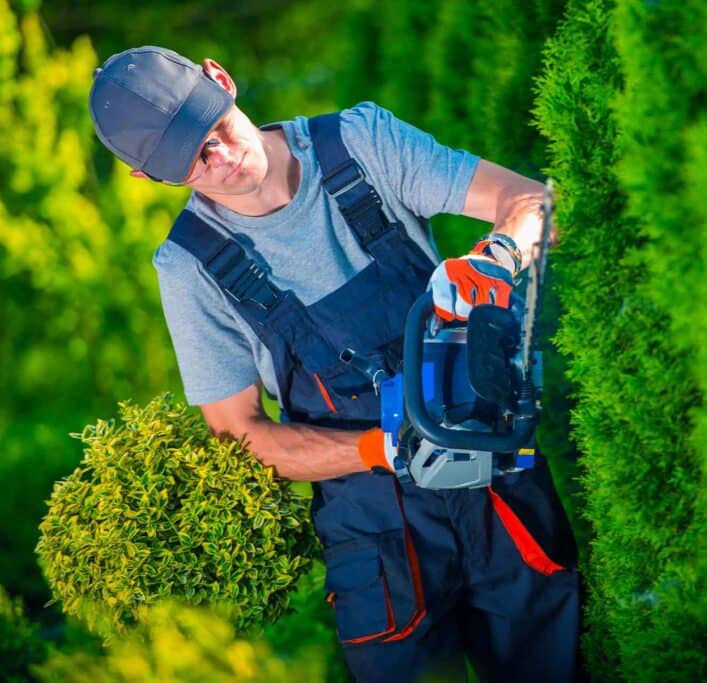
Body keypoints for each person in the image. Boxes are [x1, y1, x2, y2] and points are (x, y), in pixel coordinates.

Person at [87, 46, 581, 682]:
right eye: (195, 162)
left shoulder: (359, 143)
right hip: (377, 536)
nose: (224, 158)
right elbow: (243, 438)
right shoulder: (190, 267)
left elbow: (534, 201)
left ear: (221, 79)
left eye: (216, 129)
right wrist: (383, 449)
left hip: (495, 477)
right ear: (149, 179)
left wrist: (500, 255)